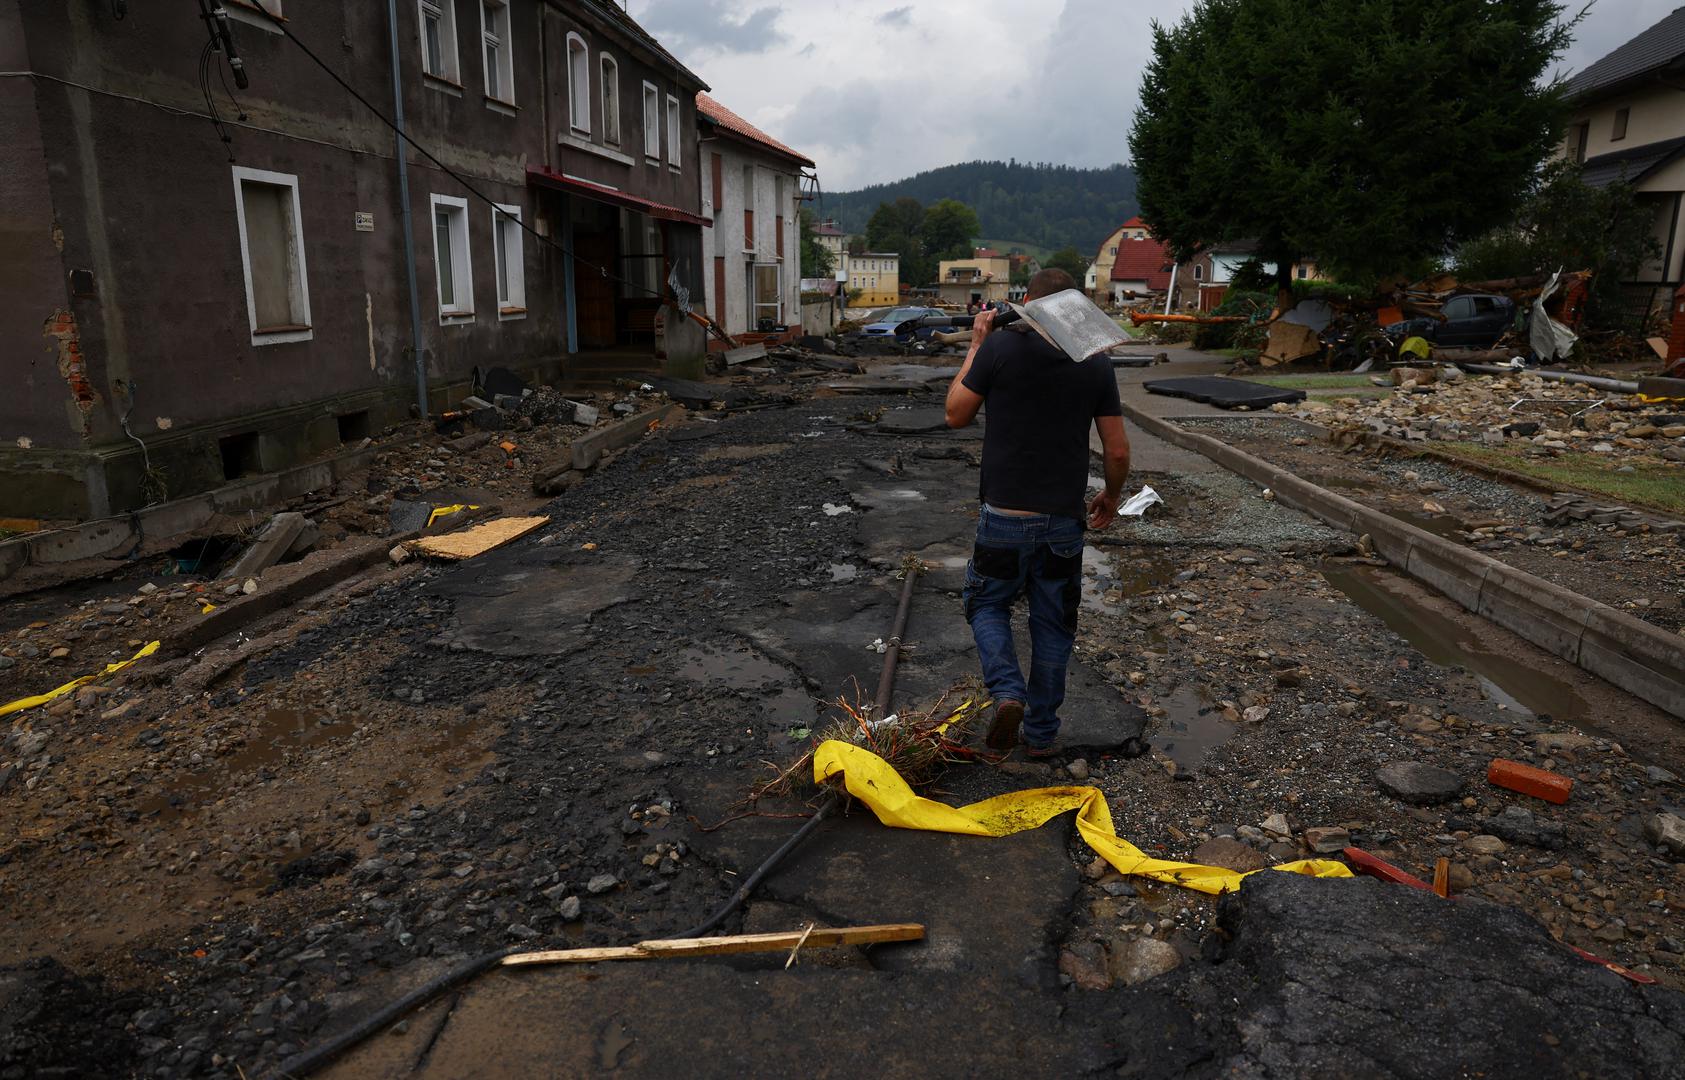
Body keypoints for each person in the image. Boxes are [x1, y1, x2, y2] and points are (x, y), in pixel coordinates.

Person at [943, 268, 1132, 756]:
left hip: (1003, 516)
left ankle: (1007, 692)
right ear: (1075, 307)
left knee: (987, 604)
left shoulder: (1000, 350)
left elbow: (955, 414)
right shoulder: (1094, 364)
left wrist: (977, 344)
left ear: (1026, 302)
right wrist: (1111, 496)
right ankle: (1043, 735)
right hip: (1062, 523)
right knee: (1053, 624)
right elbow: (1116, 451)